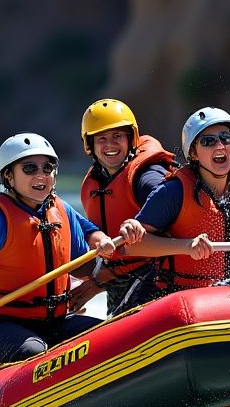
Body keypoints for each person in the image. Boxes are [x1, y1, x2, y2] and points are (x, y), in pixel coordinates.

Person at [0, 132, 130, 368]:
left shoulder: (62, 211)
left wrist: (105, 256)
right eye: (30, 168)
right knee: (33, 351)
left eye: (48, 167)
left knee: (111, 335)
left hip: (53, 323)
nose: (41, 175)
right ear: (8, 176)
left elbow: (83, 263)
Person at [119, 107, 230, 298]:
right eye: (208, 141)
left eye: (226, 138)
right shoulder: (172, 193)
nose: (220, 146)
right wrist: (186, 247)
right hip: (181, 297)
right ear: (194, 153)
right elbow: (133, 245)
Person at [73, 98, 174, 315]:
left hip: (158, 277)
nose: (110, 145)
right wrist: (97, 283)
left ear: (131, 139)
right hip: (118, 279)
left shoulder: (147, 179)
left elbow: (176, 224)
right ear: (90, 145)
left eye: (117, 136)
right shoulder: (93, 184)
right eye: (101, 138)